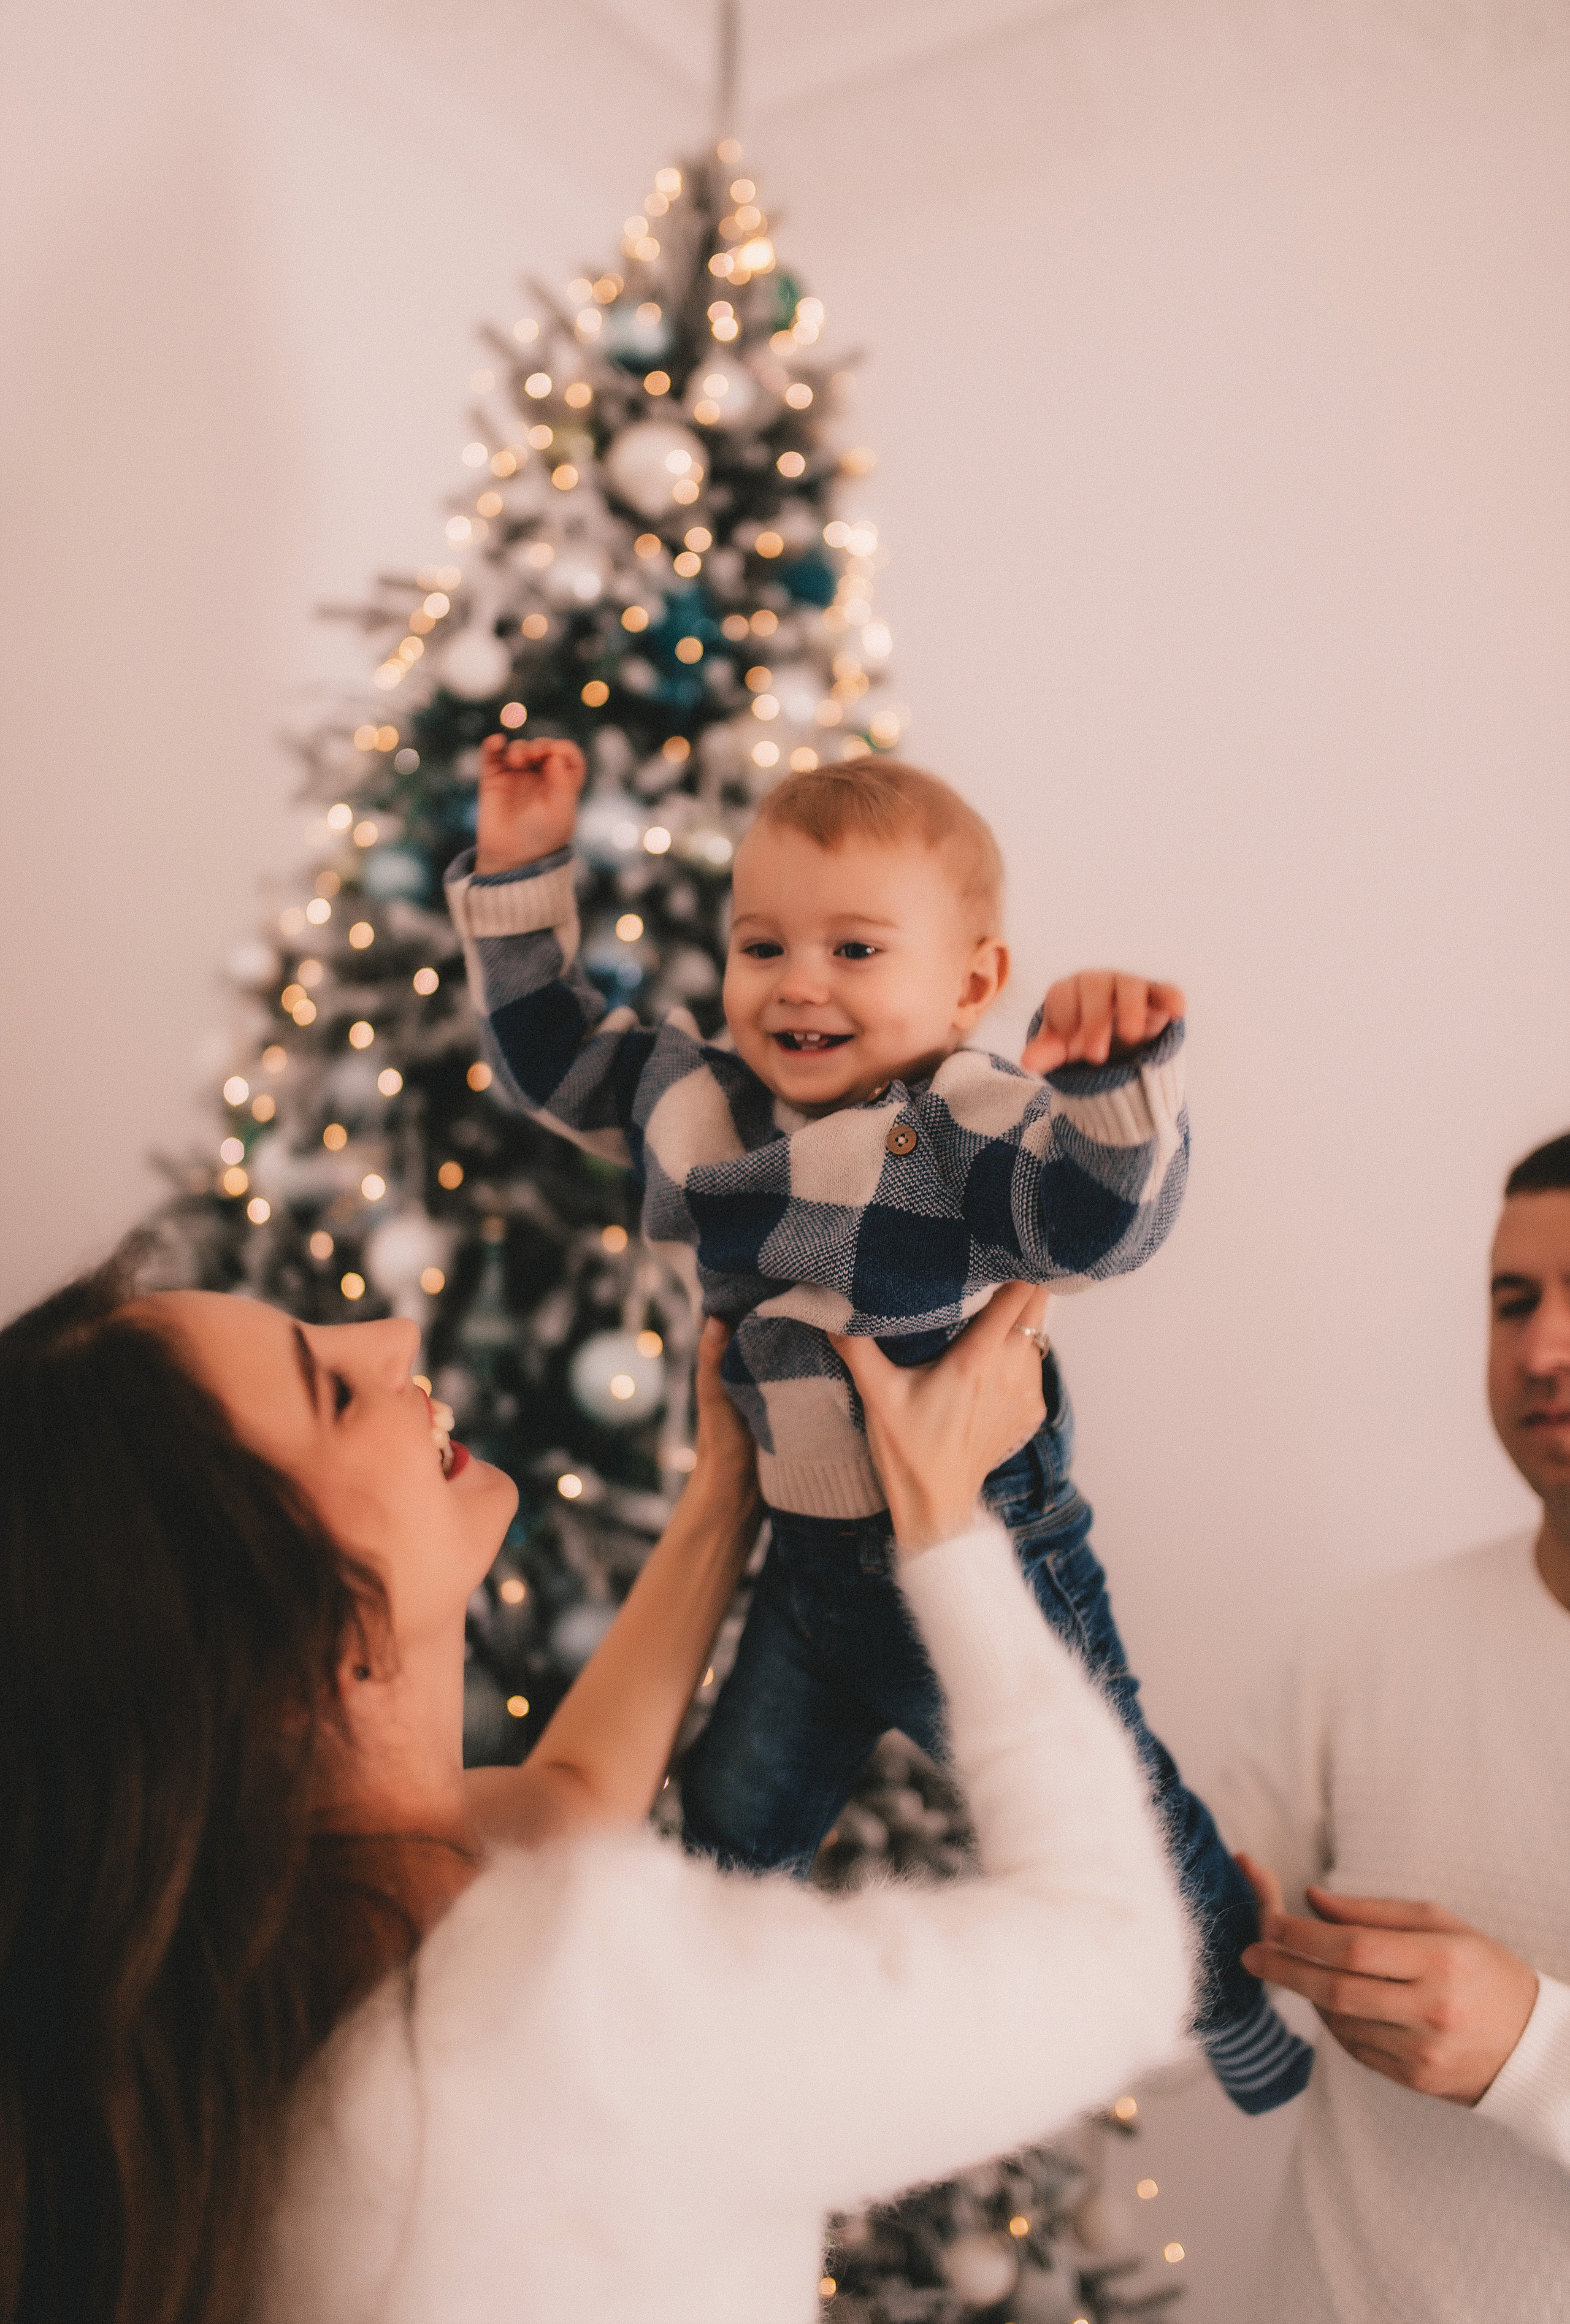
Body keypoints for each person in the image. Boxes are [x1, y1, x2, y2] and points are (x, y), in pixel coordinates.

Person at [0, 1258, 1190, 2324]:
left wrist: (723, 1496)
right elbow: (1119, 1959)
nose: (394, 1335)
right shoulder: (577, 2014)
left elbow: (563, 1797)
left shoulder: (241, 1954)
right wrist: (948, 1524)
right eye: (336, 1392)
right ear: (306, 1627)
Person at [444, 735, 1309, 2114]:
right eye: (760, 944)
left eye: (855, 951)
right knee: (730, 1819)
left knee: (1122, 1803)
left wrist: (1112, 1089)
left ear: (971, 981)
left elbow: (1092, 1226)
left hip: (984, 1552)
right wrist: (518, 862)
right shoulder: (701, 1105)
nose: (795, 983)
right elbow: (555, 1052)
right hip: (806, 1573)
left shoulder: (969, 1128)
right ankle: (707, 2053)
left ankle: (1230, 2001)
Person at [1221, 1130, 1570, 2321]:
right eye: (1510, 1301)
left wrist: (1530, 2054)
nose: (1541, 1350)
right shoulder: (1358, 1649)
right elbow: (1157, 1980)